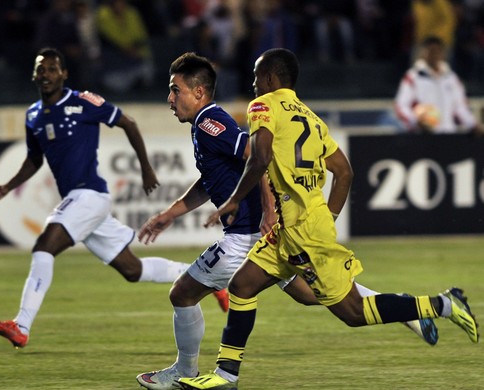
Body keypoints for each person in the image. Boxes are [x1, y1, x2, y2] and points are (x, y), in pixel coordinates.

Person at [178, 48, 479, 390]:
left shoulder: (262, 106)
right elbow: (345, 172)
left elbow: (259, 158)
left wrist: (233, 201)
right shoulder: (311, 117)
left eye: (256, 76)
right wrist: (328, 218)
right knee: (243, 286)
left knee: (353, 312)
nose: (253, 82)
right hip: (294, 226)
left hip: (301, 229)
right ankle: (226, 376)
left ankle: (442, 304)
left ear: (271, 79)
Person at [0, 47, 216, 349]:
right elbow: (34, 159)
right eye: (41, 69)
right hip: (82, 203)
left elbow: (127, 122)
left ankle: (21, 325)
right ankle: (198, 275)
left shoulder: (83, 102)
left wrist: (145, 168)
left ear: (64, 73)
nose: (46, 74)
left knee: (44, 246)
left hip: (89, 194)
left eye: (53, 69)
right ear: (34, 74)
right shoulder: (33, 115)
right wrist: (9, 186)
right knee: (133, 270)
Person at [395, 35, 484, 134]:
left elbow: (460, 107)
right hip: (423, 136)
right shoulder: (413, 77)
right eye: (430, 51)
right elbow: (401, 106)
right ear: (423, 52)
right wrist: (415, 121)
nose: (434, 54)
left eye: (437, 51)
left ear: (443, 53)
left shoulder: (451, 78)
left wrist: (472, 124)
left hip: (448, 134)